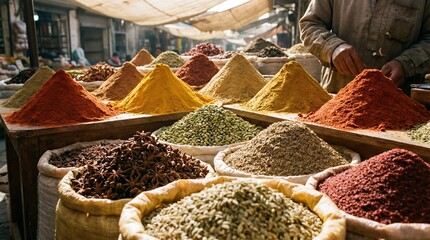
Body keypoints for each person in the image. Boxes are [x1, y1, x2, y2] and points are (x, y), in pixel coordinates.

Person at [299, 1, 430, 94]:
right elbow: (310, 24)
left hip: (399, 103)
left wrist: (406, 64)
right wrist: (333, 48)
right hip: (337, 97)